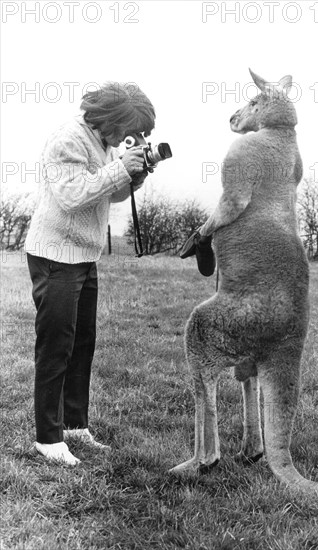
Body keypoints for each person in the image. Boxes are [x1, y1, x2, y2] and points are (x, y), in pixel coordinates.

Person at [24, 82, 155, 466]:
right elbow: (71, 196)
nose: (131, 137)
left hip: (83, 254)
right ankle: (48, 439)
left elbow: (107, 193)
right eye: (130, 129)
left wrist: (134, 175)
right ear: (111, 119)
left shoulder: (104, 142)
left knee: (82, 343)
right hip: (56, 255)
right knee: (56, 346)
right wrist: (118, 168)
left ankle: (75, 427)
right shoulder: (68, 140)